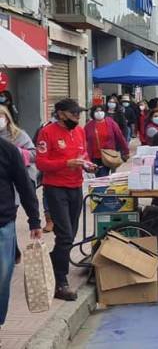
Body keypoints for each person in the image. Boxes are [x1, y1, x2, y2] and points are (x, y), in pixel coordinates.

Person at [36, 99, 97, 300]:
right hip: (55, 188)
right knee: (64, 235)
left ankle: (53, 264)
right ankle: (60, 282)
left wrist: (87, 164)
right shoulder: (47, 132)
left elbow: (84, 154)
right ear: (61, 114)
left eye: (78, 114)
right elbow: (42, 163)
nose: (77, 118)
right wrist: (66, 163)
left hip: (75, 187)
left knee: (70, 234)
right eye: (73, 114)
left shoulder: (78, 131)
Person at [0, 134, 42, 332]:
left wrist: (34, 220)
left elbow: (25, 186)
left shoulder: (8, 150)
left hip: (2, 224)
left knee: (2, 277)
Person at [84, 104, 130, 177]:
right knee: (100, 178)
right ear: (93, 113)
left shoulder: (110, 123)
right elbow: (84, 141)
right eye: (96, 111)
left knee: (102, 177)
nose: (99, 112)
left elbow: (120, 137)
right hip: (94, 157)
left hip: (108, 155)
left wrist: (125, 151)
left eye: (101, 110)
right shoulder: (88, 126)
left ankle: (103, 187)